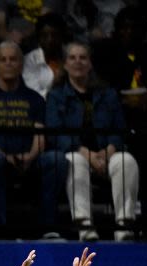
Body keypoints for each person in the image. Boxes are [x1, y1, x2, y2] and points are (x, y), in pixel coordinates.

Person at [46, 41, 139, 241]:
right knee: (74, 161)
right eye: (72, 58)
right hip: (78, 153)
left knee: (126, 161)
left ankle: (124, 226)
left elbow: (119, 129)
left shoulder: (108, 94)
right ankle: (85, 227)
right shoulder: (56, 96)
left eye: (83, 57)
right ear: (65, 64)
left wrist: (109, 150)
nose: (78, 62)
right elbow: (56, 133)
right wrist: (86, 154)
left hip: (108, 152)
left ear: (90, 64)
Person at [0, 41, 65, 229]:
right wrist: (6, 157)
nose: (8, 63)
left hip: (28, 157)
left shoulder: (35, 98)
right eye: (3, 59)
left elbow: (40, 135)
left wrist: (30, 157)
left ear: (21, 64)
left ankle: (48, 227)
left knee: (57, 159)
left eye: (13, 59)